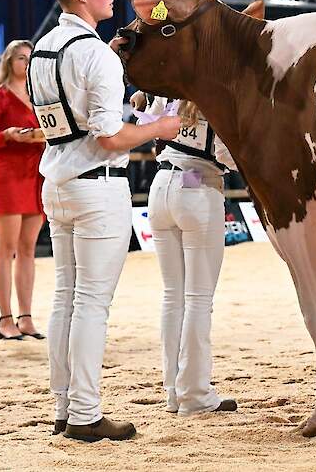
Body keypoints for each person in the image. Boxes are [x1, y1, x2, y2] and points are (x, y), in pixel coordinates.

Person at [31, 0, 180, 442]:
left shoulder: (43, 48)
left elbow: (67, 116)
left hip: (58, 179)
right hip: (97, 184)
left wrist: (108, 59)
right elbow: (111, 137)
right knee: (92, 303)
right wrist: (161, 126)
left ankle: (64, 406)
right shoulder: (91, 52)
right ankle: (86, 413)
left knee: (66, 299)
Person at [132, 92, 238, 415]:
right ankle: (195, 394)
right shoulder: (216, 99)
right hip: (197, 185)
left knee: (172, 296)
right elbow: (230, 156)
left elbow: (145, 122)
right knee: (198, 299)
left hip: (160, 185)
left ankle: (173, 392)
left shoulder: (166, 93)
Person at [0, 39, 46, 340]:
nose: (26, 63)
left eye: (30, 58)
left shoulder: (40, 97)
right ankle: (5, 318)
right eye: (21, 58)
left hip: (36, 174)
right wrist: (7, 135)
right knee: (6, 248)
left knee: (29, 250)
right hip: (7, 176)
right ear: (9, 62)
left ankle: (26, 317)